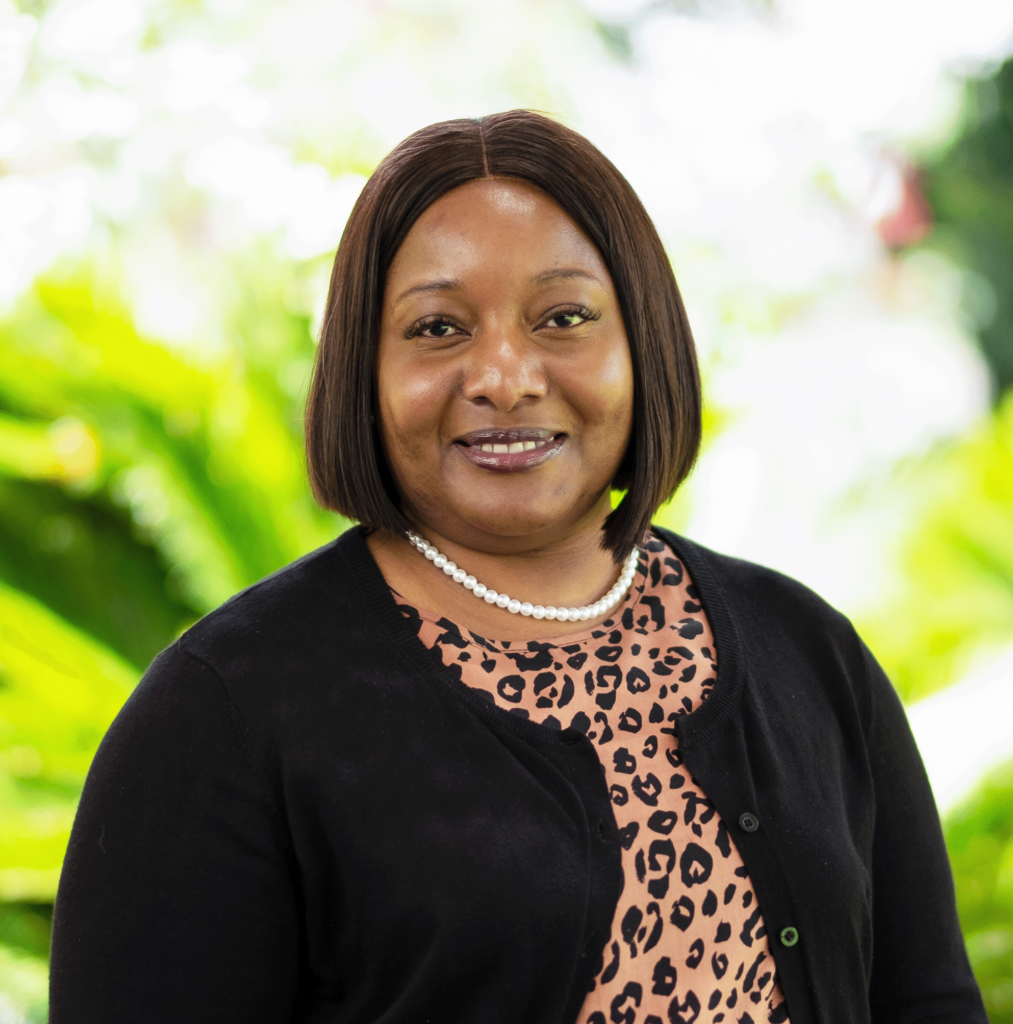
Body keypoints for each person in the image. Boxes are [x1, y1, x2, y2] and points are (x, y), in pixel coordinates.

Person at [49, 110, 984, 1024]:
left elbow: (928, 1001)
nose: (504, 377)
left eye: (563, 317)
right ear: (362, 369)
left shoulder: (806, 650)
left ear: (643, 343)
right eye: (436, 328)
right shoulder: (224, 710)